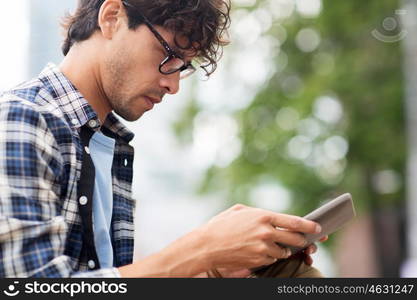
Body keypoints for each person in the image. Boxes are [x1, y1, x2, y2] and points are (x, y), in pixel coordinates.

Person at [0, 0, 326, 278]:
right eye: (168, 53)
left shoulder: (109, 145)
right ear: (112, 16)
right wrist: (201, 249)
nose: (173, 85)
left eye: (182, 67)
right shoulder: (22, 119)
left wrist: (211, 269)